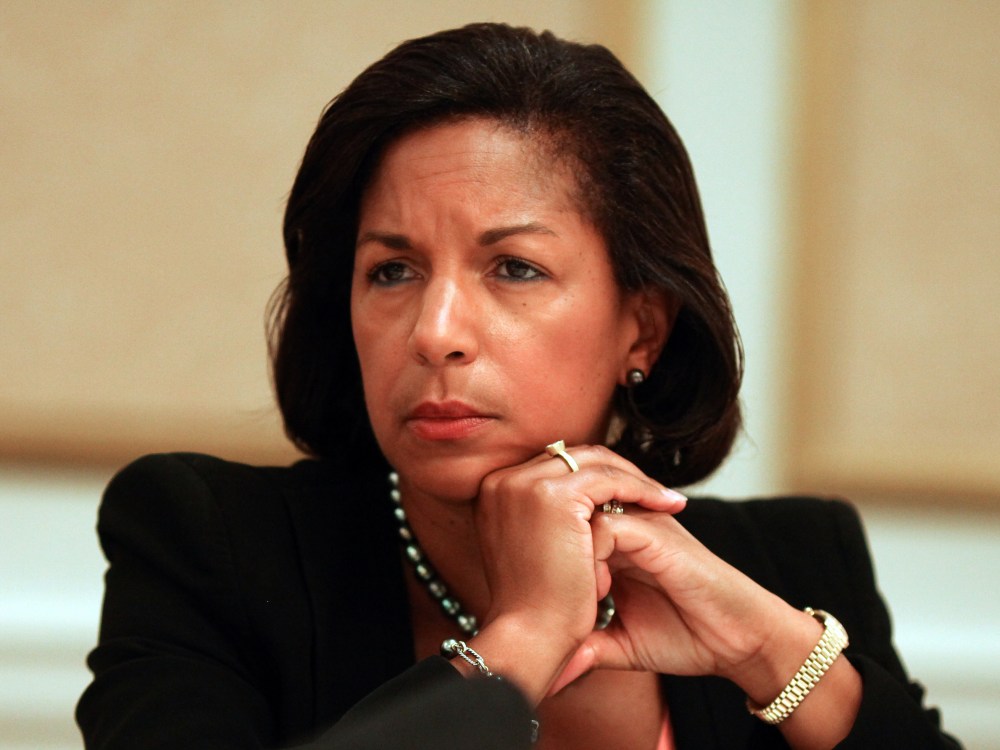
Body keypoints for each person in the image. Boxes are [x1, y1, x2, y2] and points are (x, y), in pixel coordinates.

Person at [76, 23, 960, 749]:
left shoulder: (794, 563)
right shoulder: (209, 544)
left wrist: (771, 650)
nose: (435, 332)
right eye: (391, 271)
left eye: (514, 267)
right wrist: (524, 639)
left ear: (641, 327)